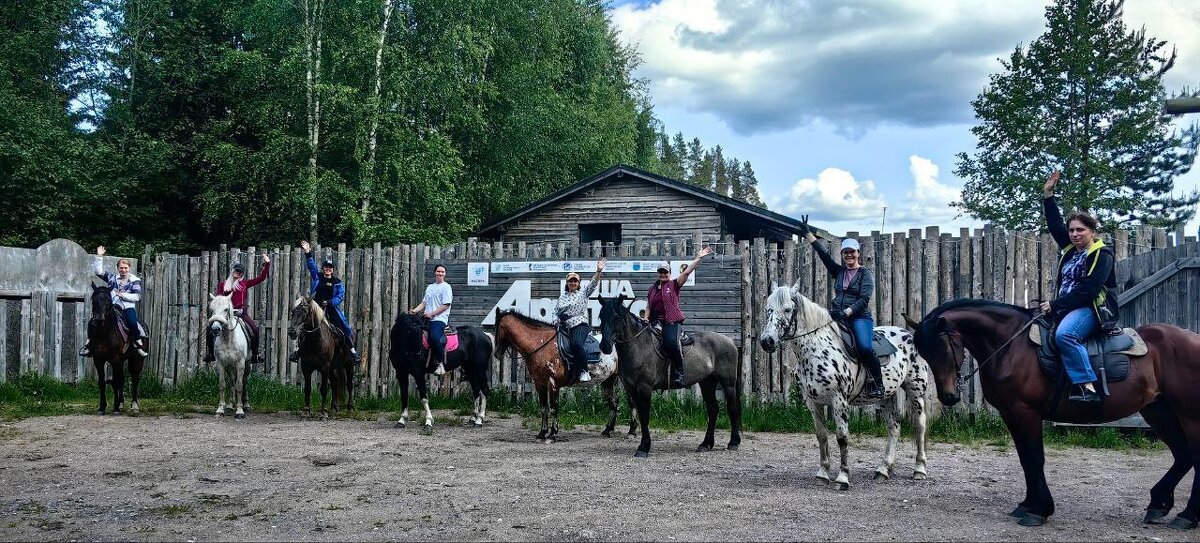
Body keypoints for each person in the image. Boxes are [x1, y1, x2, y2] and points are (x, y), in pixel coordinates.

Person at [1039, 170, 1119, 404]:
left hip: (1092, 309)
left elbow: (1089, 290)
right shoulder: (1072, 250)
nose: (1074, 234)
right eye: (1072, 230)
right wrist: (1048, 195)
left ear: (1092, 232)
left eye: (1080, 230)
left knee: (1066, 335)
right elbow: (1055, 226)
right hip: (1067, 308)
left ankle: (1088, 387)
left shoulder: (1102, 254)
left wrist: (1054, 304)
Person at [798, 217, 884, 399]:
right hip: (837, 315)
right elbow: (824, 256)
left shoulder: (865, 274)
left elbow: (864, 300)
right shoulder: (839, 271)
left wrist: (846, 312)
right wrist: (808, 234)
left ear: (858, 253)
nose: (849, 255)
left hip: (859, 317)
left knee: (864, 348)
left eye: (851, 252)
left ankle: (878, 383)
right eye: (845, 252)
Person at [647, 246, 713, 388]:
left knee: (670, 342)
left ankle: (680, 372)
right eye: (661, 272)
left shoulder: (674, 284)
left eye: (665, 272)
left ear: (669, 273)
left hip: (672, 322)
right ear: (658, 273)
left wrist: (699, 257)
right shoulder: (651, 289)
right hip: (655, 322)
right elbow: (648, 306)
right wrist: (646, 319)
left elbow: (688, 271)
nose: (663, 274)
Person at [290, 240, 361, 364]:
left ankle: (353, 353)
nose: (327, 269)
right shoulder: (318, 277)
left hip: (330, 308)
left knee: (344, 328)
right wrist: (307, 252)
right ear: (323, 269)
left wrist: (330, 302)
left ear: (332, 270)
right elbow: (311, 266)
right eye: (326, 267)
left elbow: (340, 296)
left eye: (330, 268)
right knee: (305, 327)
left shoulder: (337, 282)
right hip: (315, 308)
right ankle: (298, 351)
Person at [79, 245, 148, 357]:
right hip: (112, 307)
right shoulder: (113, 278)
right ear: (118, 268)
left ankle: (137, 344)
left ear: (129, 268)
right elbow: (98, 271)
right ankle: (89, 345)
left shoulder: (134, 281)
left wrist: (123, 295)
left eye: (125, 268)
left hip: (127, 307)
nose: (123, 270)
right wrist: (99, 256)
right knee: (93, 322)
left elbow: (137, 297)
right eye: (121, 268)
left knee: (131, 322)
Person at [205, 255, 270, 364]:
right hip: (224, 314)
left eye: (240, 272)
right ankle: (211, 354)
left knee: (254, 330)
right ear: (232, 271)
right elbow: (220, 300)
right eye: (236, 271)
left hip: (241, 313)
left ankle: (255, 355)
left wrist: (267, 264)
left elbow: (261, 278)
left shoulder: (244, 284)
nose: (238, 273)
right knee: (209, 330)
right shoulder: (223, 285)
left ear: (242, 274)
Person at [555, 259, 606, 384]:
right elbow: (556, 312)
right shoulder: (562, 297)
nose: (573, 283)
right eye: (570, 281)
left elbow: (593, 283)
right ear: (567, 283)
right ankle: (568, 372)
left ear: (578, 283)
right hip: (564, 326)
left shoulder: (583, 293)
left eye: (575, 281)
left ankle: (584, 371)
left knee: (576, 344)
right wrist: (558, 320)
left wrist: (598, 270)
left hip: (579, 325)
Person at [410, 264, 453, 376]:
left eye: (442, 272)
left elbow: (446, 305)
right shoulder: (430, 287)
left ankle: (440, 364)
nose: (440, 273)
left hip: (439, 319)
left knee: (434, 338)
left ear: (445, 274)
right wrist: (414, 311)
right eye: (438, 271)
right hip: (427, 318)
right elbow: (424, 303)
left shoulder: (446, 287)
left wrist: (431, 314)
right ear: (435, 273)